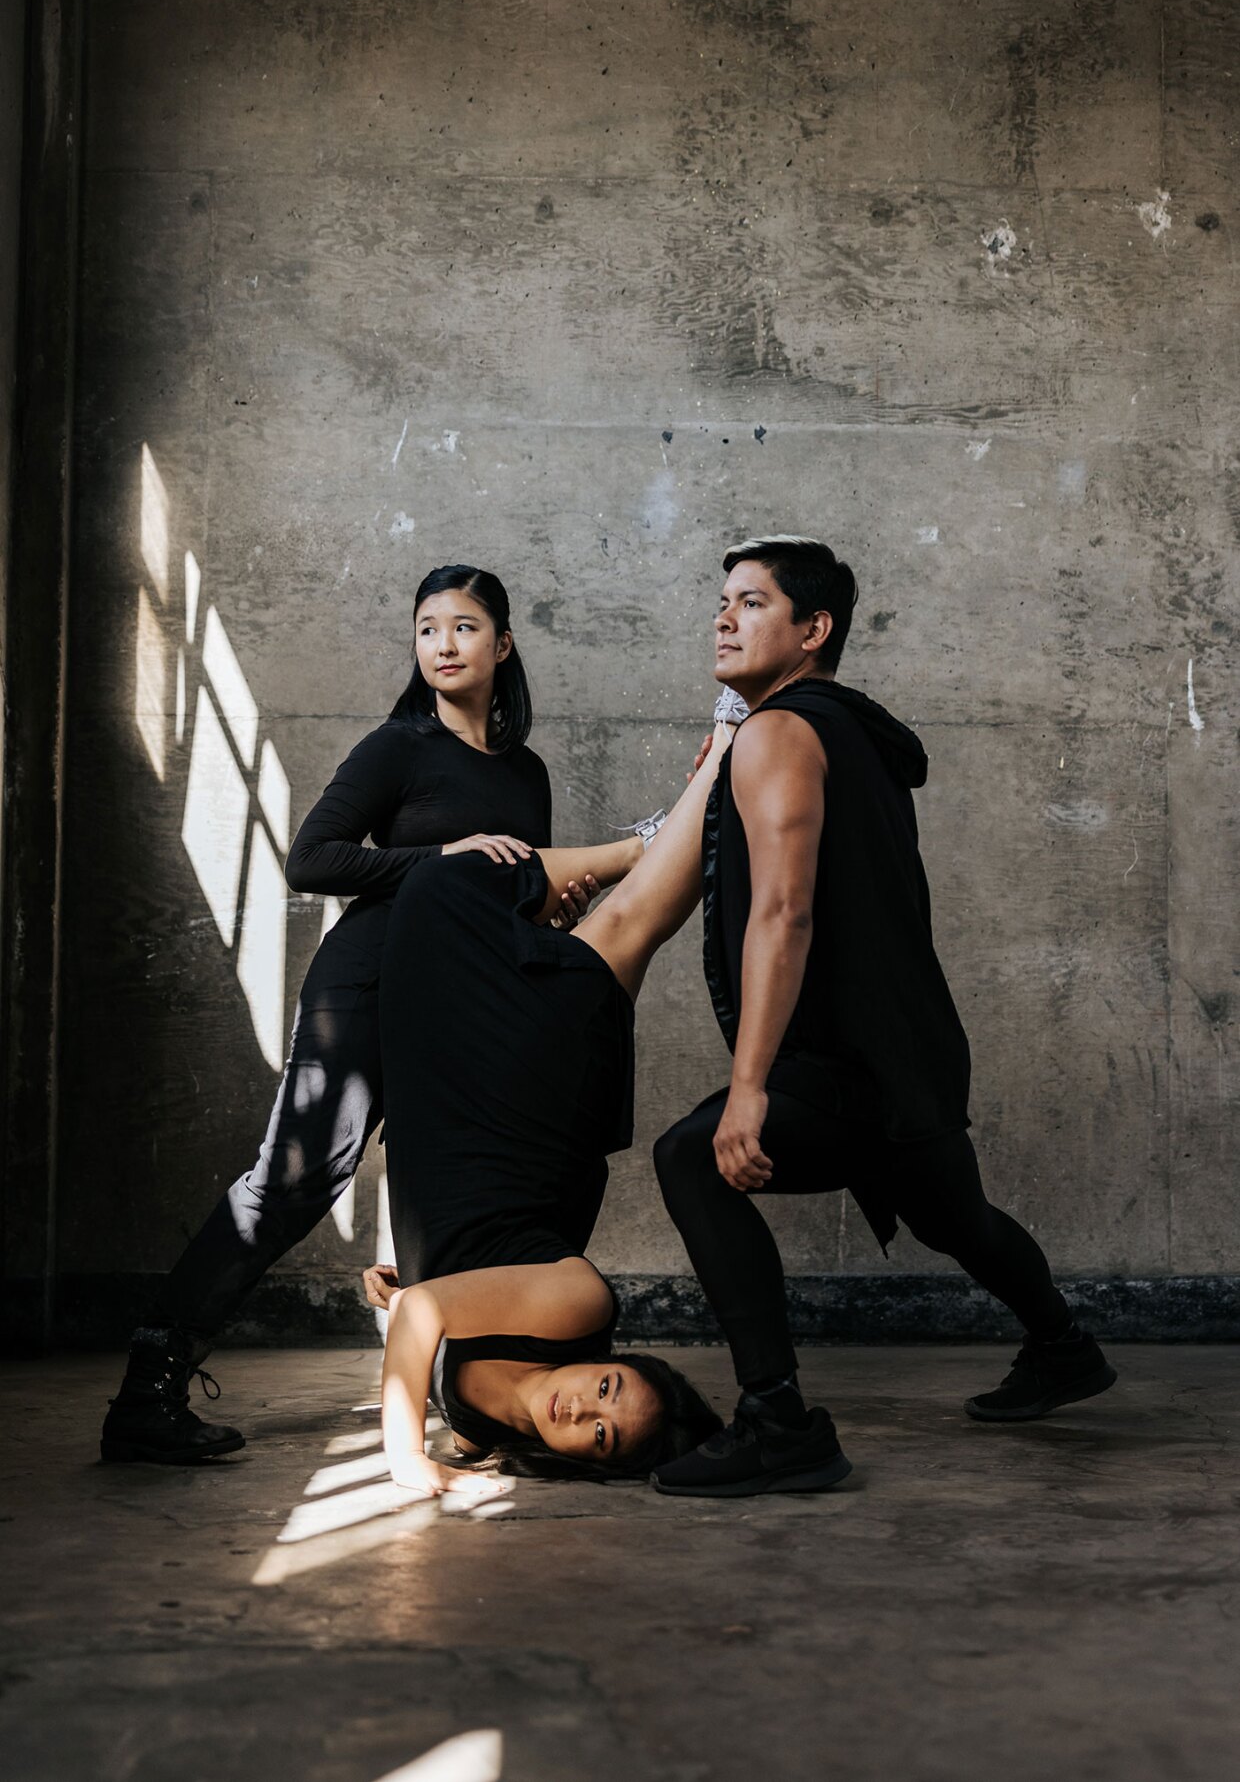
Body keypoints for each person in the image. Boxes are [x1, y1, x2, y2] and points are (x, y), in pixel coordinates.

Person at [100, 564, 644, 1466]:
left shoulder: (528, 774)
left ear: (502, 645)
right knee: (298, 1179)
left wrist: (555, 906)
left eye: (464, 627)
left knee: (489, 1183)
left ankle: (477, 1391)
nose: (443, 644)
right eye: (427, 628)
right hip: (367, 985)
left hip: (459, 1011)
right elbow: (312, 858)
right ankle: (146, 1389)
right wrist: (445, 858)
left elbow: (507, 905)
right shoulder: (401, 746)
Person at [650, 536, 1119, 1499]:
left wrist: (748, 1089)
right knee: (962, 1219)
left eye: (752, 603)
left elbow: (784, 913)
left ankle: (778, 1420)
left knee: (693, 1155)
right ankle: (1064, 1347)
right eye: (722, 602)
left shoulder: (778, 734)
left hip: (846, 1061)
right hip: (911, 1053)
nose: (724, 617)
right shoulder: (849, 733)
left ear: (814, 629)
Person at [361, 711, 743, 1491]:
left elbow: (420, 1304)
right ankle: (728, 748)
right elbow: (422, 1320)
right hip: (526, 1122)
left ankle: (699, 801)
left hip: (451, 1124)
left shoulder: (484, 1428)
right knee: (606, 918)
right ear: (612, 1359)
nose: (582, 1411)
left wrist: (405, 1268)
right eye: (608, 1388)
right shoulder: (579, 1305)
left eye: (600, 1438)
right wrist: (404, 1455)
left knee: (435, 894)